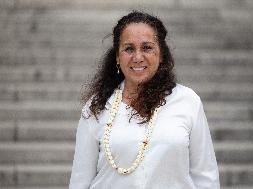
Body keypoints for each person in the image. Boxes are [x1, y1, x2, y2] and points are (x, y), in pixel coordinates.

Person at [69, 10, 220, 189]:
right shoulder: (96, 108)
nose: (138, 57)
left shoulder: (188, 102)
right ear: (117, 57)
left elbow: (206, 178)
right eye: (129, 49)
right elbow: (80, 181)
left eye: (147, 47)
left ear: (161, 54)